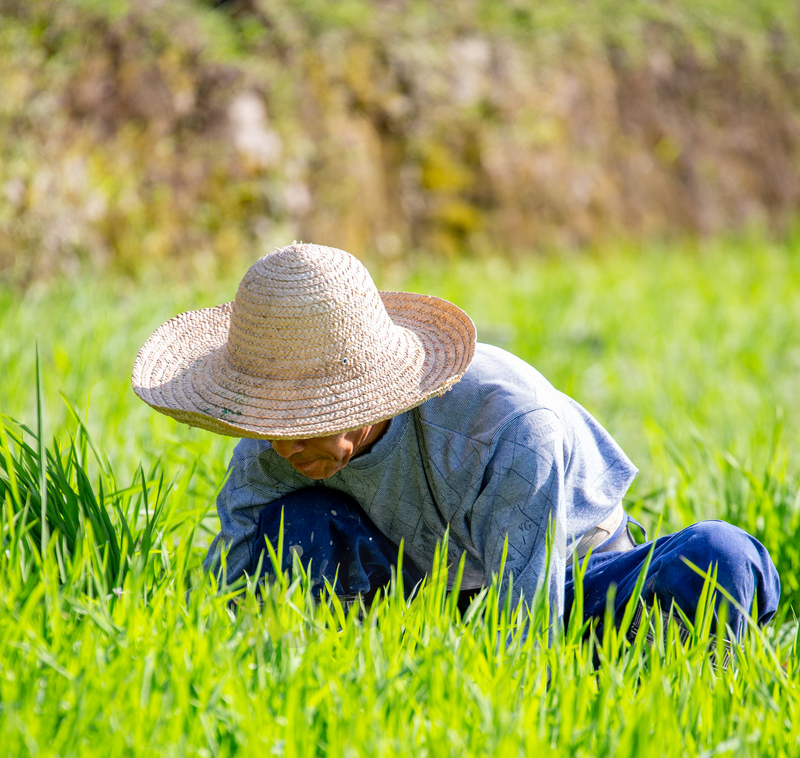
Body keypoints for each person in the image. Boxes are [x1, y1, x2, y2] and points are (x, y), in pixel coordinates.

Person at [132, 242, 780, 642]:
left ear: (364, 397)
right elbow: (234, 573)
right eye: (271, 420)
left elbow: (526, 624)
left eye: (305, 418)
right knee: (290, 526)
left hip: (564, 584)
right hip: (418, 594)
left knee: (717, 558)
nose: (283, 443)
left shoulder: (507, 428)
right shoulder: (272, 452)